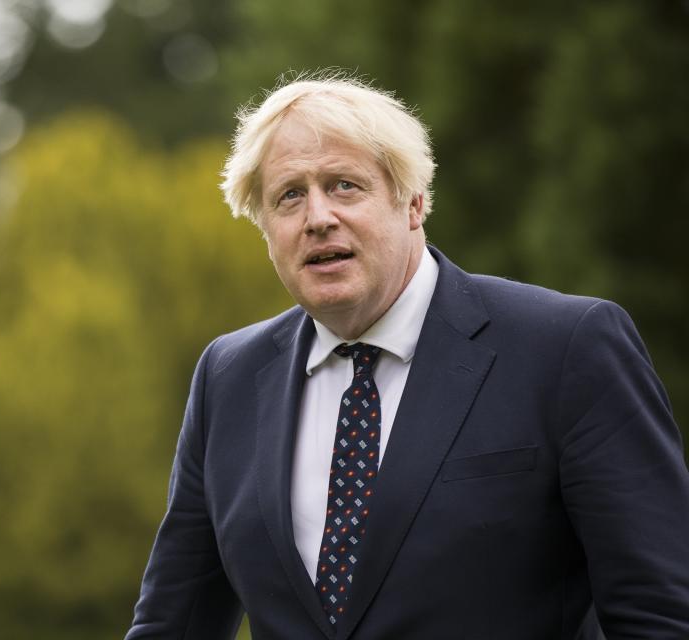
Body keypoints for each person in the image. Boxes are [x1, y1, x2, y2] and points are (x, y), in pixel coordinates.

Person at [125, 73, 689, 639]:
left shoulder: (566, 347)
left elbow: (660, 615)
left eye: (345, 185)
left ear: (414, 203)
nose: (317, 217)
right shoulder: (228, 376)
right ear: (266, 228)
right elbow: (172, 625)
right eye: (289, 195)